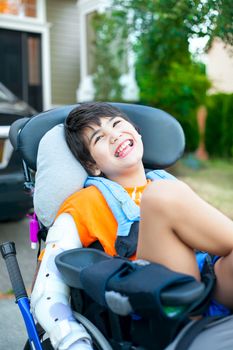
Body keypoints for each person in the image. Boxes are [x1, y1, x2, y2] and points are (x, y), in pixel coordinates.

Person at [31, 102, 233, 350]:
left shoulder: (168, 183)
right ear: (93, 165)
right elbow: (47, 290)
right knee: (159, 197)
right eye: (99, 138)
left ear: (137, 132)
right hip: (160, 305)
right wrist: (72, 339)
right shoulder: (84, 203)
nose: (115, 135)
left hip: (212, 286)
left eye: (116, 124)